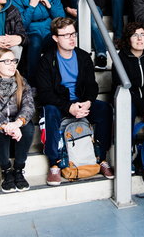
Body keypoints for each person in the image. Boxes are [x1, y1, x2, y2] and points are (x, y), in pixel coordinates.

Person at [37, 17, 114, 186]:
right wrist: (69, 107)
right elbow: (45, 94)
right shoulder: (46, 60)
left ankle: (101, 159)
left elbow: (92, 85)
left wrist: (88, 102)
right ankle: (54, 164)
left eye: (73, 34)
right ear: (55, 38)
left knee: (105, 110)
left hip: (80, 101)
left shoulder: (83, 56)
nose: (72, 38)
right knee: (49, 111)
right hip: (59, 103)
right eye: (65, 35)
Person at [0, 48, 36, 193]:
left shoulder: (22, 82)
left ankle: (18, 170)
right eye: (7, 61)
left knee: (28, 127)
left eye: (14, 61)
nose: (12, 65)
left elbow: (29, 106)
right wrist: (6, 126)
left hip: (18, 139)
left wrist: (16, 124)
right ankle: (6, 171)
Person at [11, 0, 64, 85]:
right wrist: (31, 6)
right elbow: (21, 25)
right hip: (31, 32)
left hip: (48, 30)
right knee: (35, 42)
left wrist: (50, 6)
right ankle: (32, 82)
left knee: (57, 41)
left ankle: (56, 81)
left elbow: (61, 19)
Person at [112, 22, 144, 126]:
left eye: (142, 35)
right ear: (128, 40)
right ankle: (128, 142)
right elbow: (126, 90)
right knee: (129, 110)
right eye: (135, 35)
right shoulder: (120, 60)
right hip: (128, 99)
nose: (140, 38)